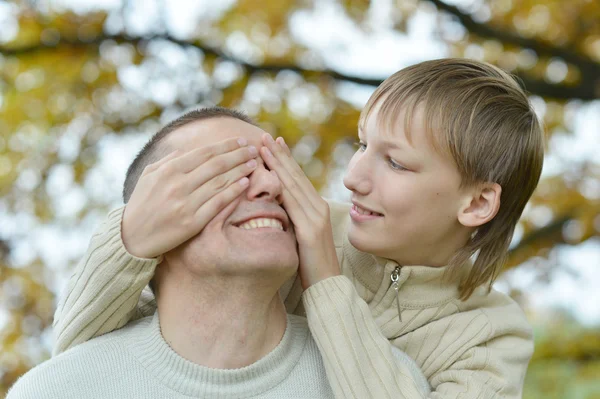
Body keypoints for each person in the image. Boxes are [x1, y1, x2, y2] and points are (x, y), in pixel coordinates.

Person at [53, 59, 542, 398]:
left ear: (477, 203)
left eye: (395, 162)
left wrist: (326, 283)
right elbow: (83, 357)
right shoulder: (286, 233)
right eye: (362, 144)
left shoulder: (492, 336)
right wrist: (130, 240)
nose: (352, 178)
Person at [5, 108, 433, 398]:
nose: (268, 186)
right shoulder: (56, 391)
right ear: (155, 216)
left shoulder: (385, 378)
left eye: (277, 170)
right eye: (229, 172)